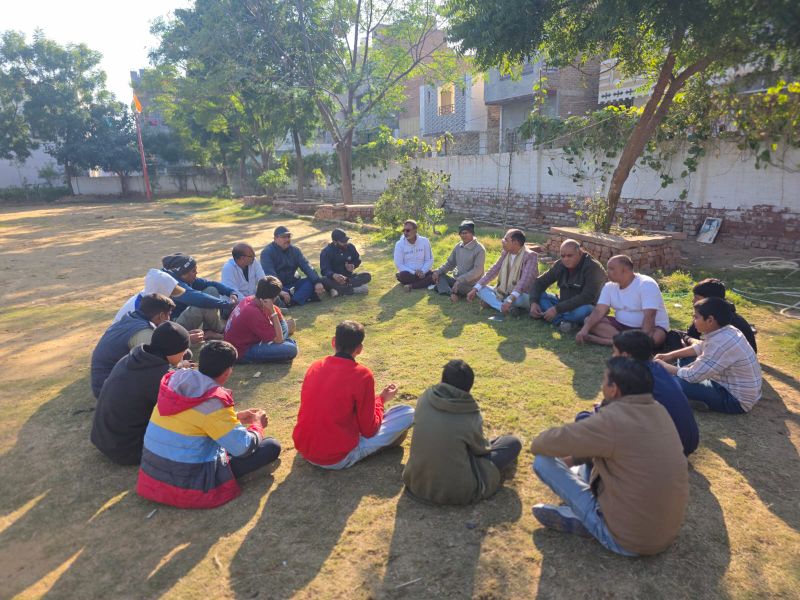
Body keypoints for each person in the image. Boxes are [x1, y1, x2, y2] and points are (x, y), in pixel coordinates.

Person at [531, 357, 688, 556]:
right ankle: (589, 515)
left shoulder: (612, 420)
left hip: (626, 541)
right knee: (590, 459)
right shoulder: (659, 410)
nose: (601, 385)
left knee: (542, 461)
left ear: (614, 389)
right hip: (664, 534)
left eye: (604, 380)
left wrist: (554, 451)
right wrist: (573, 459)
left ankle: (588, 521)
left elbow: (542, 444)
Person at [137, 340, 281, 509]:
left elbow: (193, 421)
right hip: (187, 482)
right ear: (227, 372)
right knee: (270, 446)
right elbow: (242, 448)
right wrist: (257, 426)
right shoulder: (213, 401)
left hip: (153, 475)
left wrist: (236, 417)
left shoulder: (176, 381)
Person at [293, 320, 414, 469]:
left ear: (333, 342)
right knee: (407, 412)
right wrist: (381, 399)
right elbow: (369, 430)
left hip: (305, 447)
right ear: (360, 349)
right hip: (336, 457)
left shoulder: (315, 366)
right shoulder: (362, 375)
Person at [402, 360, 521, 504]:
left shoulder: (425, 398)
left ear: (442, 379)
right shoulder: (469, 412)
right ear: (469, 387)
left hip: (416, 480)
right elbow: (481, 450)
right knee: (512, 443)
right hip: (457, 491)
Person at [90, 321, 191, 465]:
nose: (185, 354)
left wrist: (177, 366)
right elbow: (180, 409)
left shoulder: (132, 358)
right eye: (183, 351)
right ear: (172, 350)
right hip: (128, 449)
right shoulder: (161, 377)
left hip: (103, 438)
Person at [654, 297, 762, 414]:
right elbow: (701, 347)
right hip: (727, 385)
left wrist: (663, 366)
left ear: (710, 320)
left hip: (734, 400)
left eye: (696, 317)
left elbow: (693, 376)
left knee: (670, 381)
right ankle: (693, 396)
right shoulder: (728, 330)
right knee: (683, 358)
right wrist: (669, 356)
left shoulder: (720, 343)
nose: (693, 321)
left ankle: (691, 398)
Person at [607, 330, 698, 456]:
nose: (612, 356)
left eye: (614, 352)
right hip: (687, 444)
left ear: (626, 355)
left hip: (666, 451)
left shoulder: (631, 378)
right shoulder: (658, 368)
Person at [91, 294, 181, 398]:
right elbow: (157, 365)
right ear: (161, 315)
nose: (169, 318)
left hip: (104, 382)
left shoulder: (130, 319)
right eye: (168, 314)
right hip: (111, 390)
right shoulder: (143, 332)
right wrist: (179, 367)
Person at [575, 255, 669, 347]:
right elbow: (599, 311)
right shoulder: (609, 286)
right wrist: (584, 330)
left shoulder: (646, 284)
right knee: (588, 321)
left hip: (651, 328)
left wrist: (643, 337)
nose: (607, 272)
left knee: (656, 338)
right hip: (620, 326)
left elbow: (650, 316)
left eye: (611, 269)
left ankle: (608, 341)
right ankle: (627, 342)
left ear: (625, 270)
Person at [529, 239, 606, 333]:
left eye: (570, 255)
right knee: (539, 296)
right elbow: (539, 282)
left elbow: (587, 297)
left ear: (580, 253)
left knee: (583, 311)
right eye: (563, 256)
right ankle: (563, 322)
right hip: (563, 304)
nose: (565, 259)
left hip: (586, 306)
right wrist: (533, 302)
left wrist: (556, 309)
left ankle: (554, 318)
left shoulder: (593, 267)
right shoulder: (560, 265)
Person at [666, 278, 757, 353]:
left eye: (697, 298)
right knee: (675, 335)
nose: (693, 301)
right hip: (734, 357)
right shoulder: (725, 311)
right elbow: (693, 334)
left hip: (729, 361)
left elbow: (698, 340)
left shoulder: (716, 318)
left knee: (675, 337)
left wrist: (685, 339)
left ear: (710, 300)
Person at [163, 253, 239, 340]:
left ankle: (209, 330)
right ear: (183, 274)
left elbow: (210, 283)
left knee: (211, 290)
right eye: (193, 271)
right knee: (202, 304)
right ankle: (219, 330)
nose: (196, 273)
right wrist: (227, 304)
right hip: (175, 326)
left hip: (185, 315)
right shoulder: (175, 285)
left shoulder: (186, 279)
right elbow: (201, 300)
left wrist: (231, 292)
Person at [224, 276, 298, 363]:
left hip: (244, 342)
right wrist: (272, 311)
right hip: (241, 351)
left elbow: (280, 318)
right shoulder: (253, 312)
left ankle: (281, 343)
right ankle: (284, 345)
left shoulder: (251, 299)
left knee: (282, 327)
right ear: (272, 298)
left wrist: (273, 311)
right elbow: (279, 339)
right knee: (291, 349)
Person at [466, 228, 538, 316]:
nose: (502, 241)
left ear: (515, 243)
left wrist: (510, 299)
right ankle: (504, 307)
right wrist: (475, 289)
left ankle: (499, 303)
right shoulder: (506, 253)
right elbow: (493, 271)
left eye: (506, 240)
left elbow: (524, 282)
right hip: (503, 292)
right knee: (480, 289)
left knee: (520, 299)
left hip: (521, 294)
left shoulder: (530, 256)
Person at [260, 225, 324, 306]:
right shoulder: (267, 252)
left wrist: (317, 282)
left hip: (294, 284)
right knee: (269, 292)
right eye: (284, 237)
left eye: (288, 237)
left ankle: (291, 301)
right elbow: (270, 275)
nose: (287, 239)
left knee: (312, 281)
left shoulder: (295, 250)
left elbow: (307, 266)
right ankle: (301, 297)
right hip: (279, 287)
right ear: (275, 239)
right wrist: (279, 290)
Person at [431, 220, 486, 301]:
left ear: (472, 233)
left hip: (471, 285)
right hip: (457, 280)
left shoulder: (479, 249)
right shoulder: (458, 246)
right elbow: (450, 263)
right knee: (440, 276)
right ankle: (452, 293)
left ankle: (447, 290)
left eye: (466, 233)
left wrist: (460, 280)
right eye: (461, 233)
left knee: (459, 286)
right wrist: (438, 272)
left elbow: (477, 271)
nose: (463, 235)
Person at [112, 268, 185, 324]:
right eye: (170, 294)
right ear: (160, 293)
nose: (171, 298)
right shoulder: (139, 309)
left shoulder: (146, 298)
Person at [319, 228, 372, 297]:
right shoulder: (326, 252)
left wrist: (353, 265)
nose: (346, 243)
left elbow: (357, 259)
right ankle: (354, 290)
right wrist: (334, 275)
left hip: (348, 278)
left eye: (346, 240)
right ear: (335, 242)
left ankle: (338, 290)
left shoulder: (350, 247)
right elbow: (324, 270)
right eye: (343, 242)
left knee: (367, 275)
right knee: (323, 280)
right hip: (334, 279)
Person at [393, 220, 434, 290]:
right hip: (409, 274)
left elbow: (429, 260)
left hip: (423, 272)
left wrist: (423, 271)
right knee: (403, 275)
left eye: (408, 230)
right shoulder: (399, 244)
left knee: (435, 274)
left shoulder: (425, 241)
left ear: (415, 231)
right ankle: (426, 282)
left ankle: (412, 286)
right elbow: (399, 264)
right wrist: (415, 272)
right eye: (403, 230)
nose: (405, 233)